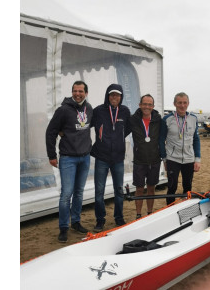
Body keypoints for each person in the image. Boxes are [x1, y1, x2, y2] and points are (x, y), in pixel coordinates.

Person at [45, 80, 93, 243]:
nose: (77, 94)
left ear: (86, 93)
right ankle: (64, 227)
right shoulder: (63, 110)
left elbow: (86, 128)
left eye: (81, 91)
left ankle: (76, 222)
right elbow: (51, 132)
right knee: (66, 194)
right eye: (75, 91)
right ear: (72, 92)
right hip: (68, 158)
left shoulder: (89, 109)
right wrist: (51, 155)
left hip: (85, 157)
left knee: (79, 192)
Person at [91, 84, 131, 232]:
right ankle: (100, 220)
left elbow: (128, 129)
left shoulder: (125, 111)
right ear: (108, 96)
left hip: (118, 158)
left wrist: (118, 140)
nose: (115, 97)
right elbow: (85, 125)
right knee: (99, 191)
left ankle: (119, 217)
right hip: (102, 157)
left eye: (118, 95)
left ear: (121, 97)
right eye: (112, 95)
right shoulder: (98, 111)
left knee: (119, 189)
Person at [159, 92, 201, 205]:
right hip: (172, 159)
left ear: (188, 103)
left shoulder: (193, 118)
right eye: (179, 103)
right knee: (172, 186)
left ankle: (186, 208)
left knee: (187, 187)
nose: (182, 105)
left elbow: (196, 139)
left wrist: (197, 159)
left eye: (184, 103)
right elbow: (161, 140)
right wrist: (164, 159)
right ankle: (169, 209)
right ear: (174, 104)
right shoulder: (167, 119)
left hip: (189, 158)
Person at [129, 94, 162, 219]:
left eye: (149, 104)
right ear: (140, 105)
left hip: (154, 159)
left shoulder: (158, 120)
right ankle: (138, 214)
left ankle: (149, 213)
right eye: (144, 104)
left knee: (151, 188)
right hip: (139, 160)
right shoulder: (133, 120)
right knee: (139, 189)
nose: (147, 107)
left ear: (153, 106)